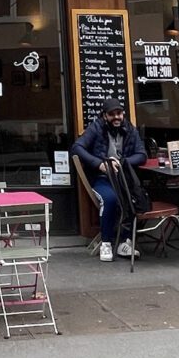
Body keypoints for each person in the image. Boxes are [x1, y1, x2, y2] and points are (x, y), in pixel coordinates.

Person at [72, 98, 148, 261]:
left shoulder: (130, 129)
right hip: (101, 179)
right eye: (111, 114)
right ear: (104, 116)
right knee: (110, 199)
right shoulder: (96, 128)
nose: (116, 117)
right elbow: (77, 147)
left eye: (119, 113)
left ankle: (124, 242)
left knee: (133, 198)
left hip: (123, 179)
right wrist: (100, 164)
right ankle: (106, 243)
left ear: (123, 114)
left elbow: (142, 155)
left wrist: (122, 163)